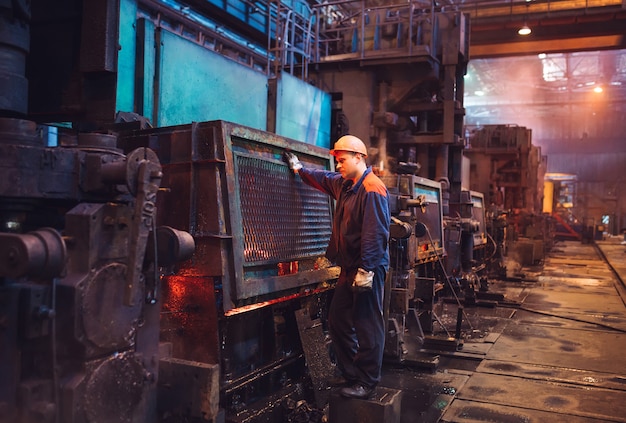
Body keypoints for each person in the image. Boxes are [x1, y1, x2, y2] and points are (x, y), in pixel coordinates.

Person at [284, 135, 390, 400]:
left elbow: (375, 234)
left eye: (342, 161)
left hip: (368, 268)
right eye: (337, 161)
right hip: (349, 267)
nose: (338, 166)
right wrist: (299, 169)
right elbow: (322, 178)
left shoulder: (372, 189)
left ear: (359, 158)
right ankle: (350, 372)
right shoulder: (345, 184)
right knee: (339, 320)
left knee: (367, 324)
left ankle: (366, 382)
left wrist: (366, 272)